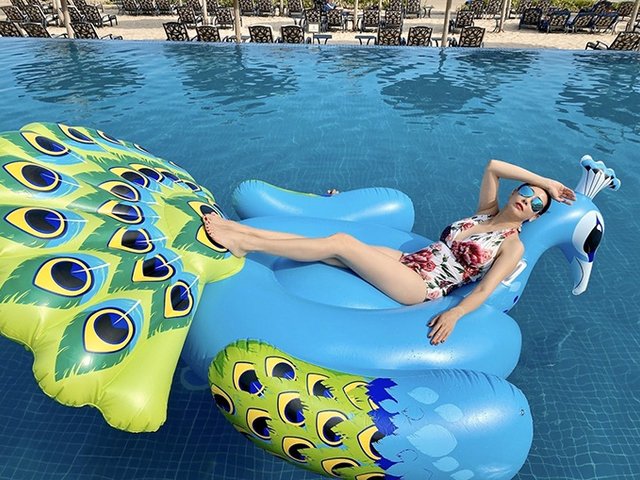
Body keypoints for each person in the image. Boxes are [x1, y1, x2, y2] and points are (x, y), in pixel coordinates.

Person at [203, 160, 576, 345]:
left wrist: (455, 314)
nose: (527, 201)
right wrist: (545, 182)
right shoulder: (485, 211)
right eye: (525, 193)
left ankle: (245, 242)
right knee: (332, 251)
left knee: (341, 243)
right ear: (515, 193)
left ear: (534, 217)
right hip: (411, 261)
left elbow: (484, 289)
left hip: (422, 285)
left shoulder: (512, 245)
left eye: (536, 204)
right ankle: (243, 230)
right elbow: (494, 167)